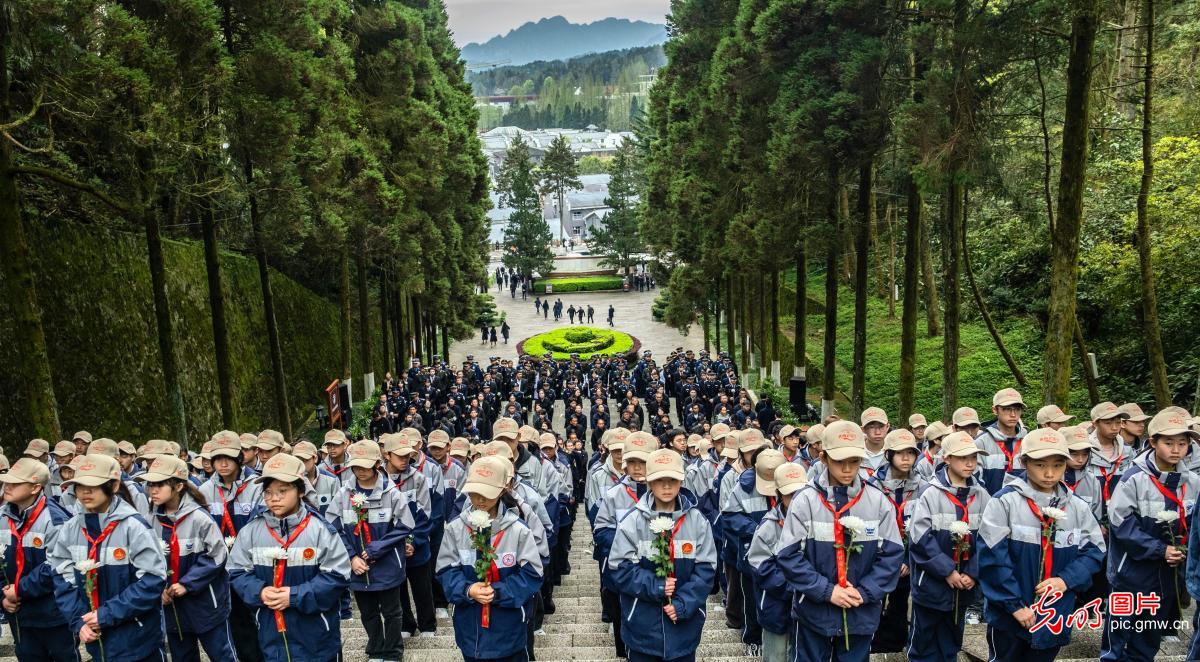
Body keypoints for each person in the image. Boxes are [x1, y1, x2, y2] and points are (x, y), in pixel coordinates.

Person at [776, 421, 904, 661]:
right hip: (814, 611)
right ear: (823, 458)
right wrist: (827, 591)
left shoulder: (877, 502)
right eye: (839, 461)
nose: (847, 469)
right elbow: (788, 556)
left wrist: (864, 592)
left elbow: (892, 556)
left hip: (860, 611)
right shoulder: (805, 501)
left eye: (854, 461)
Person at [978, 428, 1105, 662]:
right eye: (1040, 465)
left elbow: (1094, 551)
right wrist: (1015, 606)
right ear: (1025, 462)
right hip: (1010, 615)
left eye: (1057, 465)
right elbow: (992, 560)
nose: (1049, 473)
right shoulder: (1004, 502)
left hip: (1055, 612)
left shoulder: (1077, 506)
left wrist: (1065, 580)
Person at [228, 453, 351, 662]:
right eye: (268, 492)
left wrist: (293, 596)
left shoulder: (321, 530)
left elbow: (337, 576)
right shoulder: (250, 531)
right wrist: (260, 591)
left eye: (283, 491)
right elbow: (237, 571)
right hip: (271, 634)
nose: (274, 498)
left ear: (300, 490)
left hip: (317, 636)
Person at [49, 453, 168, 662]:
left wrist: (106, 614)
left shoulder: (134, 527)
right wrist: (79, 622)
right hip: (96, 637)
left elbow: (153, 580)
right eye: (79, 485)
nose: (85, 491)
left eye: (93, 485)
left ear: (113, 486)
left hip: (138, 639)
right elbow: (62, 579)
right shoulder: (70, 529)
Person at [1102, 409, 1200, 662]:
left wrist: (1184, 551)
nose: (1176, 449)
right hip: (1131, 573)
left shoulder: (1193, 482)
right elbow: (1120, 523)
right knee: (1120, 635)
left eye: (1182, 443)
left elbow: (1194, 526)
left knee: (1149, 636)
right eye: (1168, 443)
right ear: (1153, 442)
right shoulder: (1133, 478)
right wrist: (1159, 549)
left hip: (1167, 574)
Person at [608, 449, 717, 662]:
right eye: (659, 480)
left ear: (681, 481)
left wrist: (683, 603)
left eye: (672, 480)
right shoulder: (633, 522)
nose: (666, 486)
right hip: (642, 630)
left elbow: (706, 569)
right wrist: (656, 585)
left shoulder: (697, 521)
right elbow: (619, 568)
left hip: (683, 627)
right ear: (649, 481)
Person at [437, 456, 543, 662]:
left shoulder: (518, 530)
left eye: (487, 494)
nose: (480, 500)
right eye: (475, 493)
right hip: (470, 629)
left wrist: (499, 592)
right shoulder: (456, 528)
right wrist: (468, 589)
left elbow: (533, 574)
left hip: (509, 627)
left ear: (503, 490)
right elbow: (445, 570)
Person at [139, 455, 237, 662]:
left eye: (159, 484)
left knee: (222, 655)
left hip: (206, 605)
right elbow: (144, 560)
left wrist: (187, 584)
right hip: (172, 607)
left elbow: (217, 556)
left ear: (178, 486)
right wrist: (158, 590)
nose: (152, 490)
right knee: (182, 656)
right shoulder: (149, 520)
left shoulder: (199, 518)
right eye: (150, 485)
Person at [328, 441, 418, 662]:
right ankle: (376, 649)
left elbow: (405, 525)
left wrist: (380, 546)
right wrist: (351, 557)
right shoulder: (343, 494)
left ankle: (393, 651)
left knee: (391, 611)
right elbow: (332, 527)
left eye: (365, 466)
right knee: (367, 611)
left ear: (378, 464)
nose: (359, 470)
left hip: (388, 563)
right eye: (355, 466)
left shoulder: (392, 494)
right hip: (358, 566)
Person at [199, 430, 265, 661]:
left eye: (228, 457)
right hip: (222, 568)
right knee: (237, 623)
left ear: (239, 457)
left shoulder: (257, 485)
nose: (223, 463)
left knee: (261, 620)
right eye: (217, 458)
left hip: (253, 566)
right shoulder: (205, 490)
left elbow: (261, 525)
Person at [0, 458, 75, 660]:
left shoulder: (56, 519)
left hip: (53, 617)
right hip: (18, 615)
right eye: (7, 481)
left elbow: (57, 566)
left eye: (15, 483)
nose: (7, 486)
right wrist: (2, 597)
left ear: (35, 488)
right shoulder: (2, 517)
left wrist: (19, 589)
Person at [747, 462, 808, 662]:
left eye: (801, 493)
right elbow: (760, 565)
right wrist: (795, 585)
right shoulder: (769, 526)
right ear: (779, 494)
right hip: (776, 605)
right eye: (791, 495)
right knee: (776, 655)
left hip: (809, 606)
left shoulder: (815, 520)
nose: (797, 500)